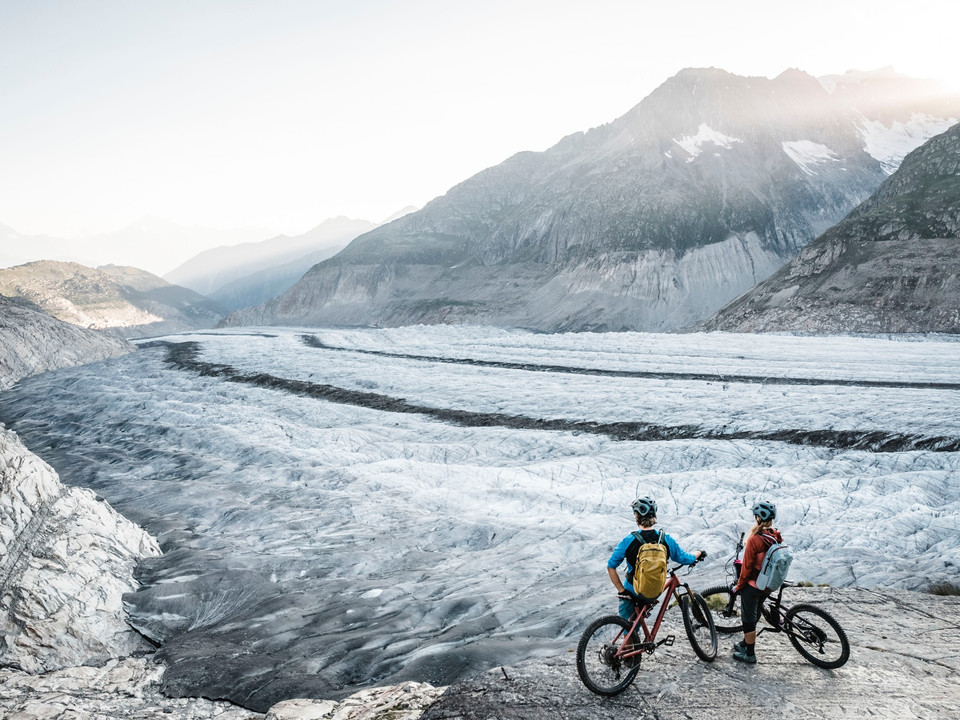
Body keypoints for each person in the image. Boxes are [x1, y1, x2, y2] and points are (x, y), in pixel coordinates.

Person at [607, 497, 705, 620]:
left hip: (632, 590)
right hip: (653, 590)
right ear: (654, 516)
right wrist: (699, 553)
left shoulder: (628, 541)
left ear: (637, 516)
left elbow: (611, 566)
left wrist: (622, 591)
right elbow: (684, 558)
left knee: (629, 627)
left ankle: (631, 636)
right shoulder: (666, 539)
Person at [732, 500, 782, 664]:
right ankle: (744, 644)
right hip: (767, 584)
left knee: (748, 619)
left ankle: (750, 654)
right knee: (754, 611)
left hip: (754, 584)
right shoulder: (775, 534)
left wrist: (740, 586)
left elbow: (746, 568)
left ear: (759, 518)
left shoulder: (755, 540)